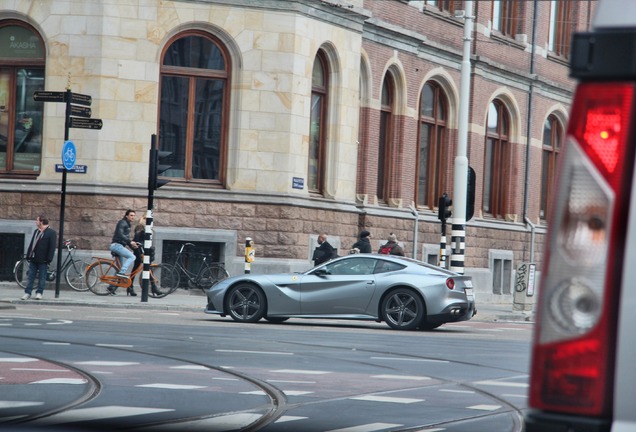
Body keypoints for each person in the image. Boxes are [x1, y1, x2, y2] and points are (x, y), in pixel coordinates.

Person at [22, 215, 57, 300]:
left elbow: (52, 247)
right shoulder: (36, 231)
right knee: (30, 276)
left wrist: (49, 259)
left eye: (37, 220)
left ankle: (39, 292)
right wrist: (29, 254)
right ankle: (27, 292)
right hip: (34, 258)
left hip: (43, 259)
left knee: (42, 276)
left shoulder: (51, 233)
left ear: (41, 222)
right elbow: (32, 243)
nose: (35, 222)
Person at [110, 209, 139, 289]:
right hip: (116, 245)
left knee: (118, 269)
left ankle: (111, 287)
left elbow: (125, 239)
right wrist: (130, 241)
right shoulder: (122, 223)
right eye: (131, 215)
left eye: (134, 215)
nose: (133, 217)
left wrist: (132, 246)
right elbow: (120, 235)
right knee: (132, 257)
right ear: (127, 216)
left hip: (119, 246)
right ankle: (122, 273)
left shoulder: (127, 224)